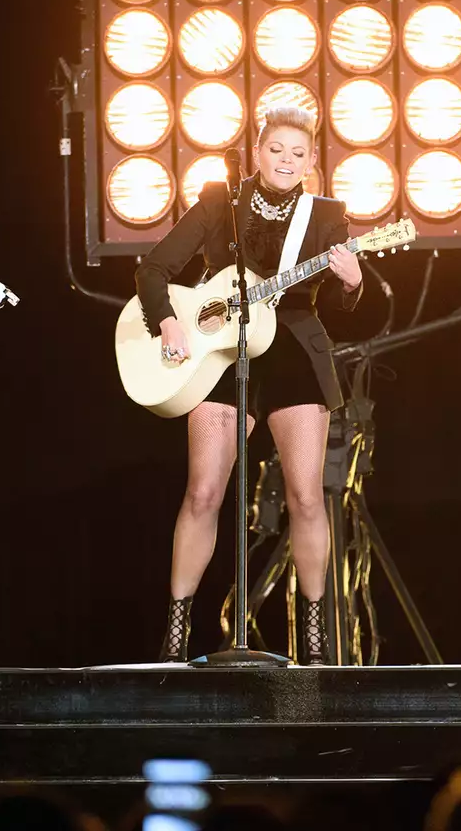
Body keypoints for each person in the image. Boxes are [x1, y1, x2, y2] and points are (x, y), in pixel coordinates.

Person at [135, 106, 362, 663]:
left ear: (311, 160)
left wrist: (351, 283)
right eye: (276, 149)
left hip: (293, 359)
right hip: (219, 355)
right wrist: (168, 322)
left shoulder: (327, 215)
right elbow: (152, 269)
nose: (286, 160)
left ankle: (312, 641)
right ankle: (175, 638)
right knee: (203, 492)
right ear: (258, 152)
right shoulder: (221, 204)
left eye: (298, 153)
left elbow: (337, 304)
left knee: (307, 499)